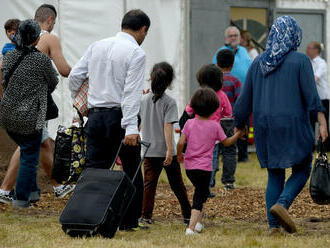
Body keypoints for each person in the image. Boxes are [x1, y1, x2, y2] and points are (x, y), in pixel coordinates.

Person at [234, 16, 328, 235]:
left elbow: (244, 99)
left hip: (264, 126)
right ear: (294, 35)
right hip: (293, 123)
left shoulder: (258, 62)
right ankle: (283, 204)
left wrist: (238, 125)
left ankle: (273, 227)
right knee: (302, 167)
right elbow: (311, 95)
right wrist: (322, 122)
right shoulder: (300, 60)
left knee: (275, 174)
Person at [69, 9, 150, 231]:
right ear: (143, 30)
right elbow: (131, 94)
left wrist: (79, 102)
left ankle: (85, 216)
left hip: (95, 115)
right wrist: (132, 128)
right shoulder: (136, 52)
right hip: (120, 117)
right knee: (131, 170)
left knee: (94, 169)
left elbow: (75, 75)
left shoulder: (97, 45)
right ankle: (128, 221)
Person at [0, 4, 74, 204]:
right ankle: (15, 194)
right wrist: (84, 72)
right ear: (49, 20)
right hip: (31, 107)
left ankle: (56, 186)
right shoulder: (48, 38)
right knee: (30, 148)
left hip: (12, 106)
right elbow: (63, 71)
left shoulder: (15, 46)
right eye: (54, 22)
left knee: (39, 143)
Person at [177, 87, 243, 235]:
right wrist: (237, 135)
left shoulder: (189, 124)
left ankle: (199, 223)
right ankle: (191, 228)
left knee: (202, 192)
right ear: (214, 109)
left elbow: (181, 142)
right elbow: (226, 143)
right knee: (199, 196)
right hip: (205, 168)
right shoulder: (215, 126)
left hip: (189, 167)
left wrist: (179, 154)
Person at [139, 62, 191, 225]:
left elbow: (139, 123)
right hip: (166, 152)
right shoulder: (169, 102)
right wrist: (170, 150)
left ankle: (146, 216)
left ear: (151, 78)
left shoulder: (143, 99)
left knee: (149, 186)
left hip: (149, 151)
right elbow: (168, 126)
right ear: (169, 82)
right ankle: (188, 216)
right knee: (177, 185)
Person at [185, 64, 232, 196]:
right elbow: (228, 112)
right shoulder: (222, 95)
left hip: (196, 132)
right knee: (211, 159)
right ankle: (207, 185)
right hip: (213, 134)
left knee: (196, 155)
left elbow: (189, 110)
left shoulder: (198, 94)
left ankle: (200, 184)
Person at [212, 26, 251, 163]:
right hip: (225, 97)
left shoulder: (244, 51)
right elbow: (213, 71)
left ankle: (243, 156)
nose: (234, 38)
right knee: (226, 126)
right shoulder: (220, 52)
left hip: (242, 94)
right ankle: (224, 154)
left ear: (240, 37)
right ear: (226, 38)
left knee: (242, 124)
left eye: (236, 35)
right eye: (231, 36)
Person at [215, 49, 243, 189]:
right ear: (232, 64)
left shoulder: (213, 81)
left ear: (217, 63)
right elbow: (240, 102)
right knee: (230, 151)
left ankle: (210, 179)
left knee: (212, 149)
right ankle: (228, 181)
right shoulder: (235, 82)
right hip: (230, 121)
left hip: (213, 120)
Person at [306, 41, 330, 149]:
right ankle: (310, 146)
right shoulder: (307, 62)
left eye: (309, 48)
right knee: (310, 123)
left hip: (322, 98)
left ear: (316, 50)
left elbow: (314, 79)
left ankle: (324, 147)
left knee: (323, 123)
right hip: (311, 99)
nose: (307, 50)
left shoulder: (321, 63)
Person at [0, 19, 20, 100]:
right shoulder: (6, 49)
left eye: (15, 30)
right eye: (9, 31)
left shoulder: (27, 46)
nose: (12, 33)